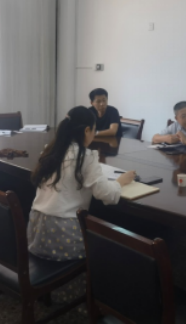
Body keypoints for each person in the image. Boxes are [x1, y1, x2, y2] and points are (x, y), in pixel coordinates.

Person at [28, 106, 136, 263]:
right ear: (86, 130)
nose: (94, 134)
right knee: (113, 246)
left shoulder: (50, 151)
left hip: (36, 233)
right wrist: (120, 182)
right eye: (94, 130)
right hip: (63, 235)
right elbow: (106, 194)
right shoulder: (85, 156)